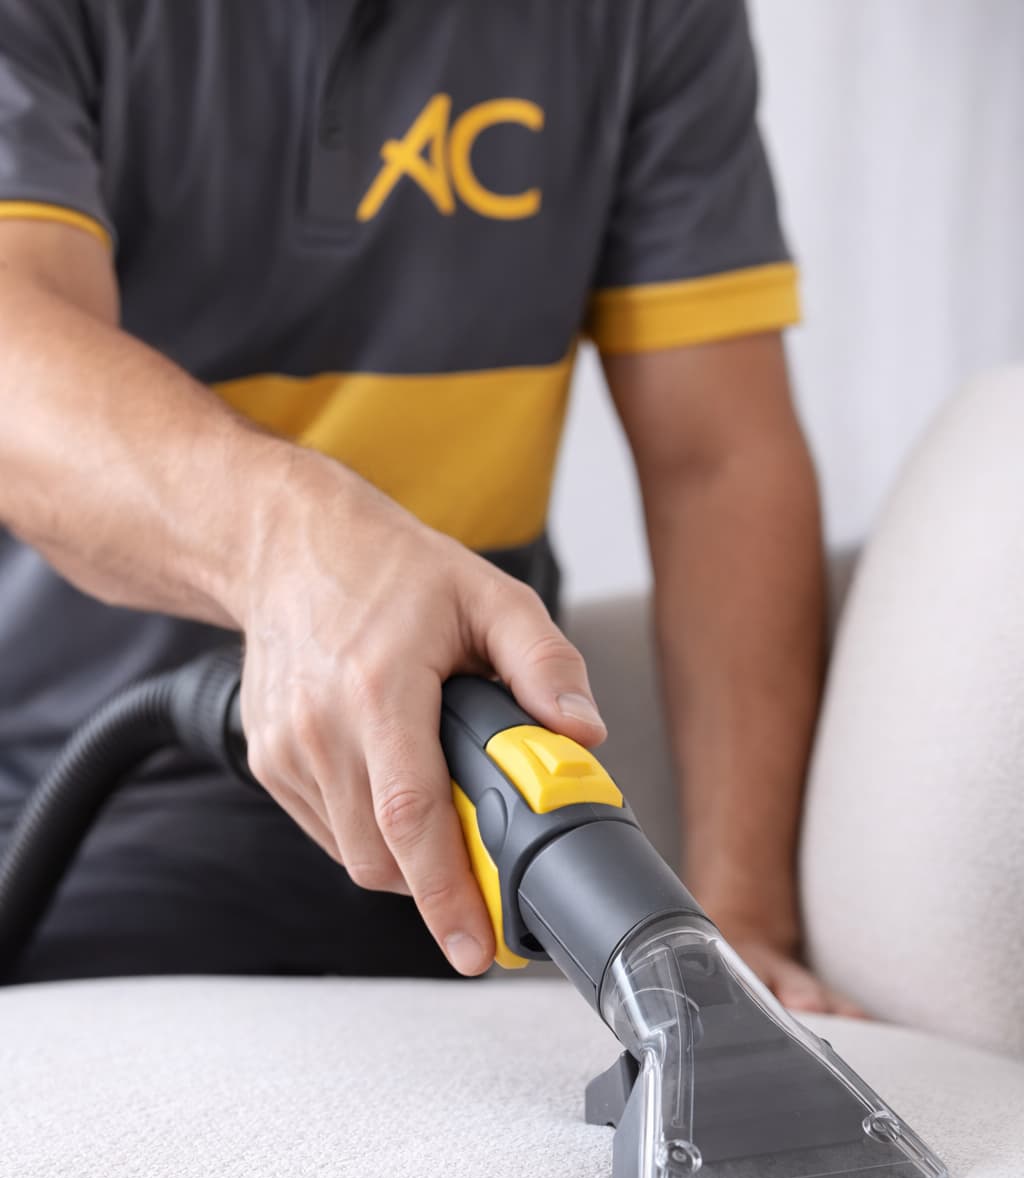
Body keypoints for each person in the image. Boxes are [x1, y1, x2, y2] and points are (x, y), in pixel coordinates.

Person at [0, 0, 847, 1010]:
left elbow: (717, 463)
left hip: (456, 840)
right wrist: (292, 544)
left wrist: (739, 917)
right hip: (59, 814)